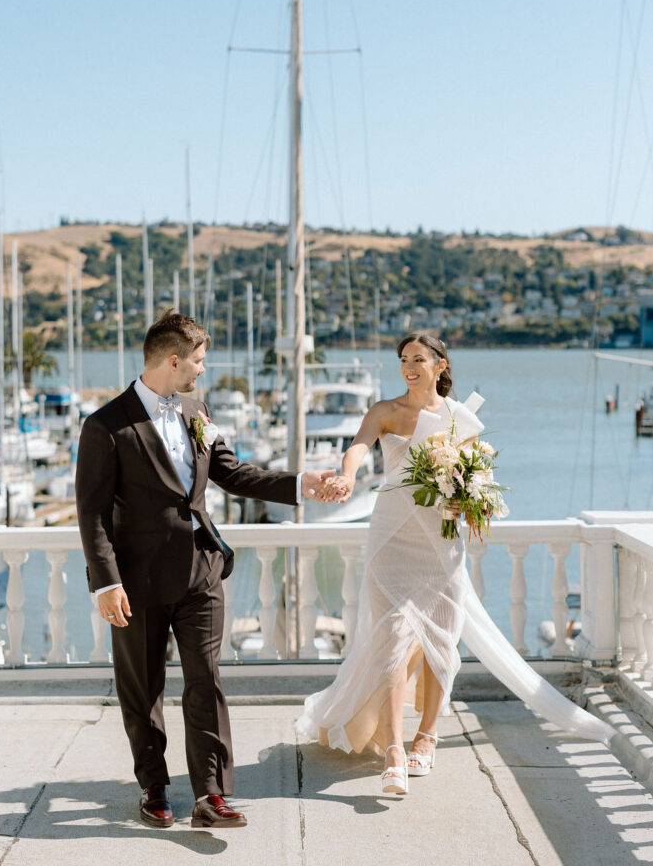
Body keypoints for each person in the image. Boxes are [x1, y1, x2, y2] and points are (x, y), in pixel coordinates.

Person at [297, 332, 615, 794]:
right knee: (389, 639)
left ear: (440, 365)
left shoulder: (458, 418)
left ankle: (426, 736)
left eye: (419, 359)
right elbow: (358, 447)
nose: (409, 366)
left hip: (440, 544)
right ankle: (393, 750)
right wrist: (347, 477)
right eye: (404, 359)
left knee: (440, 642)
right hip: (391, 540)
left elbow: (474, 481)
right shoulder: (385, 411)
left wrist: (470, 502)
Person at [76, 311, 334, 828]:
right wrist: (106, 581)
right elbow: (93, 511)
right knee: (142, 688)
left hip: (201, 572)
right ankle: (153, 787)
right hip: (137, 582)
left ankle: (210, 795)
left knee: (206, 682)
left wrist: (302, 483)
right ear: (173, 360)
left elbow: (233, 473)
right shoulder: (106, 425)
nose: (202, 370)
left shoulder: (196, 409)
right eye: (197, 361)